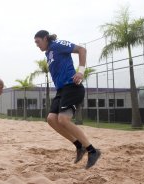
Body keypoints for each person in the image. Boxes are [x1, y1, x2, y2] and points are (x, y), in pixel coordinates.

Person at [34, 30, 101, 169]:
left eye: (38, 41)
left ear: (45, 38)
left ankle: (92, 151)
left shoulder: (58, 44)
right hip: (61, 90)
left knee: (63, 119)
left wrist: (80, 71)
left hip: (72, 87)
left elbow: (82, 49)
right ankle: (79, 146)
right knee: (51, 119)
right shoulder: (48, 53)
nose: (37, 45)